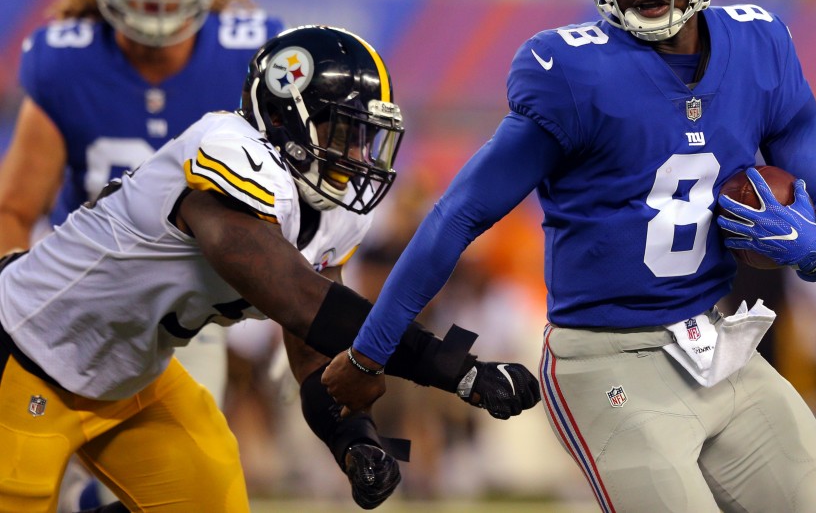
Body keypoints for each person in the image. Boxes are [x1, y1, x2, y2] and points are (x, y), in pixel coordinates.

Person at [326, 0, 816, 513]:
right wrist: (369, 351)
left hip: (713, 341)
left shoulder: (761, 46)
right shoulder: (572, 71)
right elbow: (456, 215)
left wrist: (812, 247)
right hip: (607, 360)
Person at [0, 25, 540, 513]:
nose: (357, 152)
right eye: (343, 132)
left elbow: (314, 353)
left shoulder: (328, 215)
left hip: (131, 376)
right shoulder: (227, 151)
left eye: (364, 136)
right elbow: (300, 301)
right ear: (286, 121)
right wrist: (456, 368)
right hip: (28, 351)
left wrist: (354, 440)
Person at [0, 0, 283, 510]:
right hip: (81, 301)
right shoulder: (65, 63)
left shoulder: (248, 55)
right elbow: (15, 209)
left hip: (189, 309)